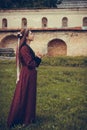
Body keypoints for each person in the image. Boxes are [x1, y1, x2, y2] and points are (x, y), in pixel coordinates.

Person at [7, 29, 42, 128]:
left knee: (29, 95)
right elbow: (30, 64)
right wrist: (38, 58)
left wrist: (37, 58)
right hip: (27, 74)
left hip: (30, 74)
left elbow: (32, 63)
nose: (33, 34)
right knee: (24, 95)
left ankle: (29, 117)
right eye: (31, 33)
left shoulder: (27, 47)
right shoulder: (24, 48)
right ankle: (21, 118)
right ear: (26, 37)